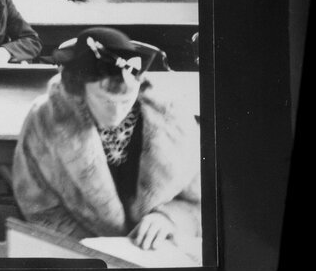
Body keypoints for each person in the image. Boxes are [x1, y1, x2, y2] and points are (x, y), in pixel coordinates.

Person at [12, 28, 200, 250]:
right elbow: (38, 206)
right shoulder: (45, 120)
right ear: (79, 90)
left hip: (158, 250)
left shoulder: (172, 119)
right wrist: (86, 247)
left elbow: (201, 199)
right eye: (105, 101)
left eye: (126, 100)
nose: (116, 113)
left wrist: (169, 218)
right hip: (78, 249)